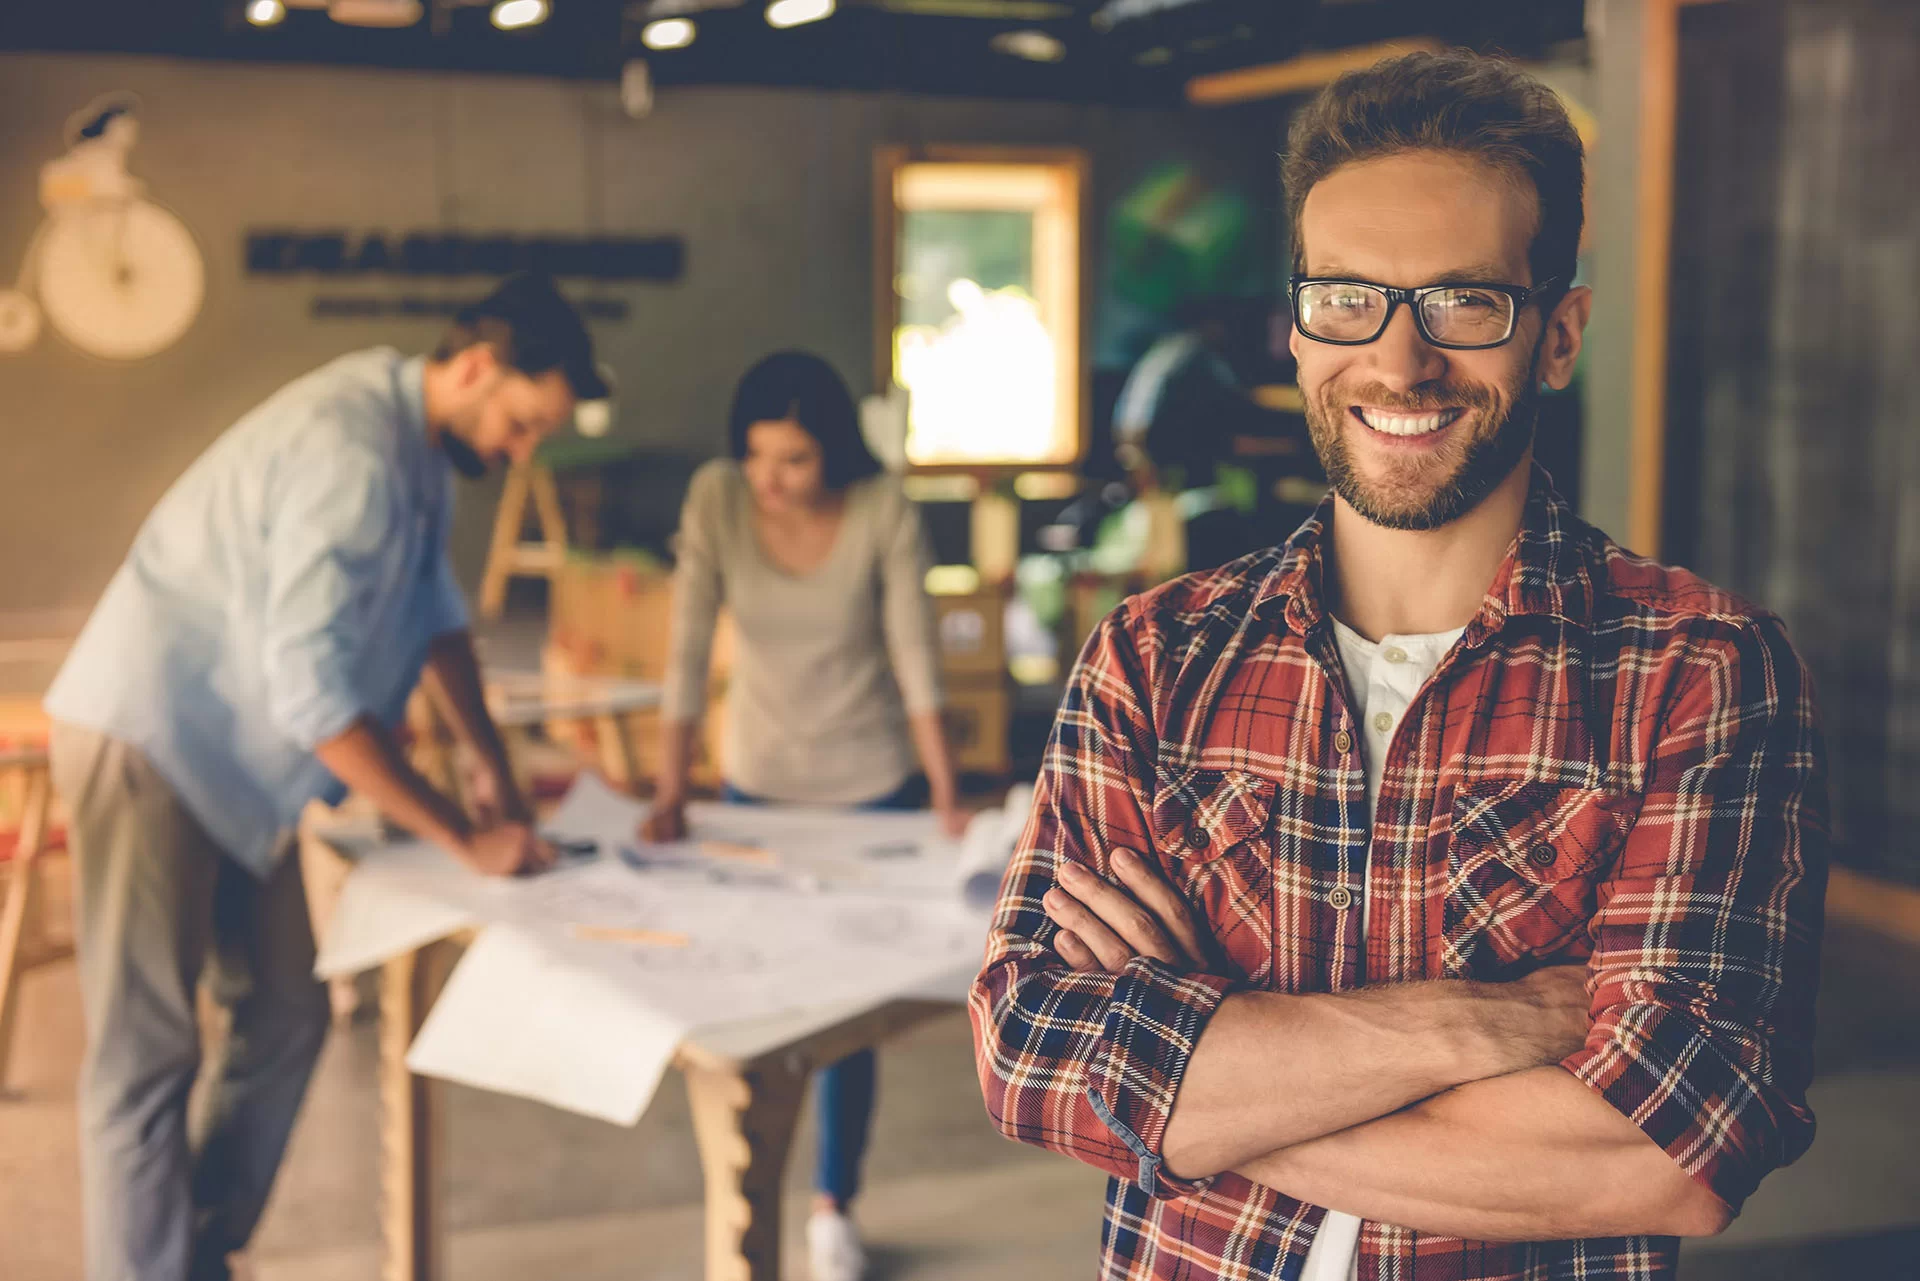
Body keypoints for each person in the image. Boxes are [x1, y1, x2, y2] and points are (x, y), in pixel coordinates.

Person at [971, 50, 1827, 1281]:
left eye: (1464, 302)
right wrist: (1490, 1022)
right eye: (1349, 299)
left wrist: (1188, 1082)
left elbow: (1665, 1154)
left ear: (1561, 334)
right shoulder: (1157, 658)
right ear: (1298, 326)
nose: (1399, 359)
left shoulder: (1701, 673)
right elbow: (1033, 1055)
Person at [44, 272, 607, 1281]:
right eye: (522, 424)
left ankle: (190, 1254)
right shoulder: (351, 448)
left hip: (238, 780)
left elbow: (440, 624)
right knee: (148, 1057)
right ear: (476, 368)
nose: (521, 452)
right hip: (155, 746)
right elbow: (313, 699)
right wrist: (460, 835)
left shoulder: (422, 451)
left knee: (289, 1013)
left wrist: (499, 775)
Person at [642, 349, 963, 1281]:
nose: (770, 480)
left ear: (836, 456)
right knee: (762, 995)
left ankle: (833, 1205)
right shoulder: (718, 500)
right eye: (757, 456)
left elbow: (917, 658)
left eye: (794, 460)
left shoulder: (881, 511)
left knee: (845, 1019)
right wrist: (670, 788)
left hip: (871, 789)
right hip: (758, 785)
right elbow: (686, 648)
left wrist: (946, 795)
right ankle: (747, 1199)